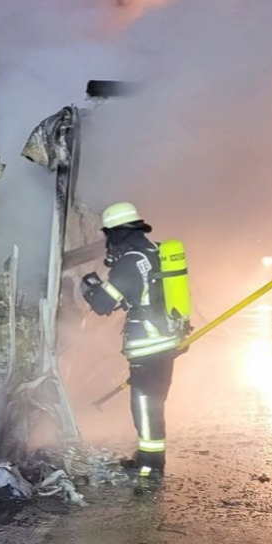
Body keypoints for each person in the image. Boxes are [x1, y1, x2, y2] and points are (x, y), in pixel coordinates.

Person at [80, 201, 189, 483]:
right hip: (166, 341)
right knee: (153, 402)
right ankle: (148, 458)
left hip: (148, 345)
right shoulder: (154, 252)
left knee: (145, 405)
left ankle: (151, 466)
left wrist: (89, 288)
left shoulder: (130, 262)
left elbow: (103, 303)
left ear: (117, 233)